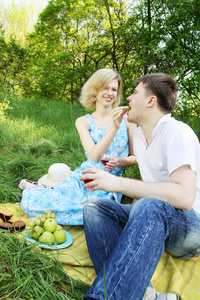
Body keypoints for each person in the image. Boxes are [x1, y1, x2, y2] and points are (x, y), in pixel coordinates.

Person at [80, 73, 200, 299]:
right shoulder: (142, 138)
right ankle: (144, 293)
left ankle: (107, 296)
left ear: (150, 101)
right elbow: (150, 187)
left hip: (193, 227)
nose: (128, 99)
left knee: (149, 205)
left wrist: (117, 183)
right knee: (95, 207)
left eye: (135, 93)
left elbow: (184, 197)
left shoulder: (177, 132)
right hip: (160, 218)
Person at [19, 68, 137, 225]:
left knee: (93, 216)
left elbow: (134, 157)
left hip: (110, 183)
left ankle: (44, 188)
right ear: (95, 91)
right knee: (30, 206)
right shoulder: (83, 121)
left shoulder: (127, 119)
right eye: (105, 88)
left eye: (114, 89)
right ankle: (35, 189)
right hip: (86, 177)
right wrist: (114, 127)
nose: (110, 93)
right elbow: (94, 156)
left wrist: (119, 162)